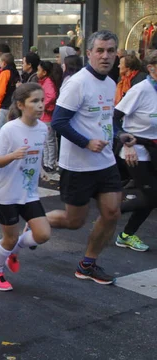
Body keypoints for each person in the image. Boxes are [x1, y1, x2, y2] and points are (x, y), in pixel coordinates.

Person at [48, 30, 134, 285]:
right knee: (74, 221)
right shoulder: (77, 83)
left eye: (110, 51)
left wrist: (120, 134)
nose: (105, 56)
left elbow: (106, 120)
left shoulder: (110, 83)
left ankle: (88, 264)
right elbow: (58, 122)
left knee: (112, 212)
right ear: (89, 54)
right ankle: (37, 222)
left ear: (116, 54)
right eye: (100, 50)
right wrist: (86, 142)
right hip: (78, 165)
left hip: (105, 161)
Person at [0, 83, 51, 291]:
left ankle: (14, 250)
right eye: (35, 101)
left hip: (29, 192)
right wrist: (13, 156)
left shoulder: (43, 128)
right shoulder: (9, 129)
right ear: (21, 105)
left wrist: (40, 169)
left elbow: (35, 153)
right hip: (6, 193)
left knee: (42, 234)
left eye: (42, 100)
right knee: (10, 237)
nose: (41, 105)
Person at [112, 51, 157, 252]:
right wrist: (126, 143)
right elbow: (113, 119)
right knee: (152, 196)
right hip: (135, 151)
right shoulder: (140, 90)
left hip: (153, 149)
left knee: (151, 197)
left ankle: (126, 235)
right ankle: (111, 212)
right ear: (152, 69)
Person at [37, 61, 59, 172]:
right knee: (45, 140)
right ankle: (46, 162)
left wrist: (42, 105)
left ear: (44, 72)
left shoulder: (48, 82)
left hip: (47, 116)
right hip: (44, 115)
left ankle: (50, 163)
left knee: (49, 140)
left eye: (39, 70)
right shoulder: (45, 82)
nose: (37, 72)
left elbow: (52, 95)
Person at [0, 53, 21, 134]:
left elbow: (1, 91)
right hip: (14, 105)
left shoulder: (4, 73)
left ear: (4, 63)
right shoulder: (16, 72)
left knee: (0, 131)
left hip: (5, 105)